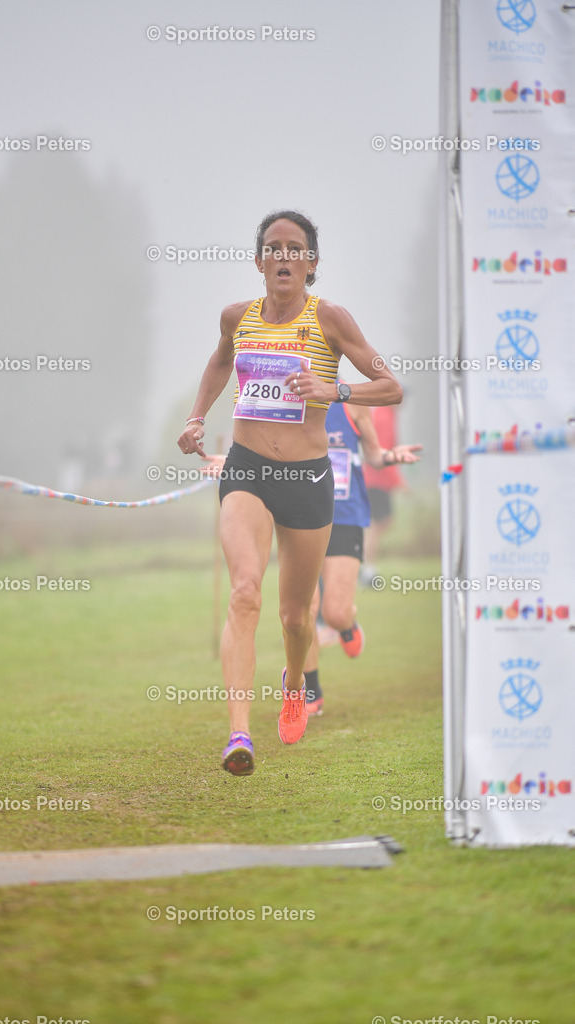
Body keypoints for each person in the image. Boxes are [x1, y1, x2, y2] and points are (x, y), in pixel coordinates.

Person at [177, 210, 402, 776]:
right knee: (245, 593)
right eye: (273, 248)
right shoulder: (237, 317)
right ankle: (238, 735)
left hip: (307, 478)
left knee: (296, 616)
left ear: (311, 262)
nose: (283, 256)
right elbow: (219, 363)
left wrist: (334, 389)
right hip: (248, 469)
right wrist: (197, 417)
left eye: (294, 248)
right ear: (259, 261)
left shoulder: (330, 319)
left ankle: (296, 684)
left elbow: (390, 386)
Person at [303, 399, 421, 716]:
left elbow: (374, 455)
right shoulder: (288, 403)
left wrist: (390, 457)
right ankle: (310, 689)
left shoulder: (352, 404)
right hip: (300, 517)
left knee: (334, 613)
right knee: (304, 610)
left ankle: (347, 623)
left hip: (345, 517)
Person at [361, 405, 406, 586]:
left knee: (381, 523)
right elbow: (384, 452)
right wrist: (397, 480)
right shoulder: (384, 416)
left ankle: (365, 565)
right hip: (377, 479)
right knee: (376, 525)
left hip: (377, 478)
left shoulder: (384, 414)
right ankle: (367, 568)